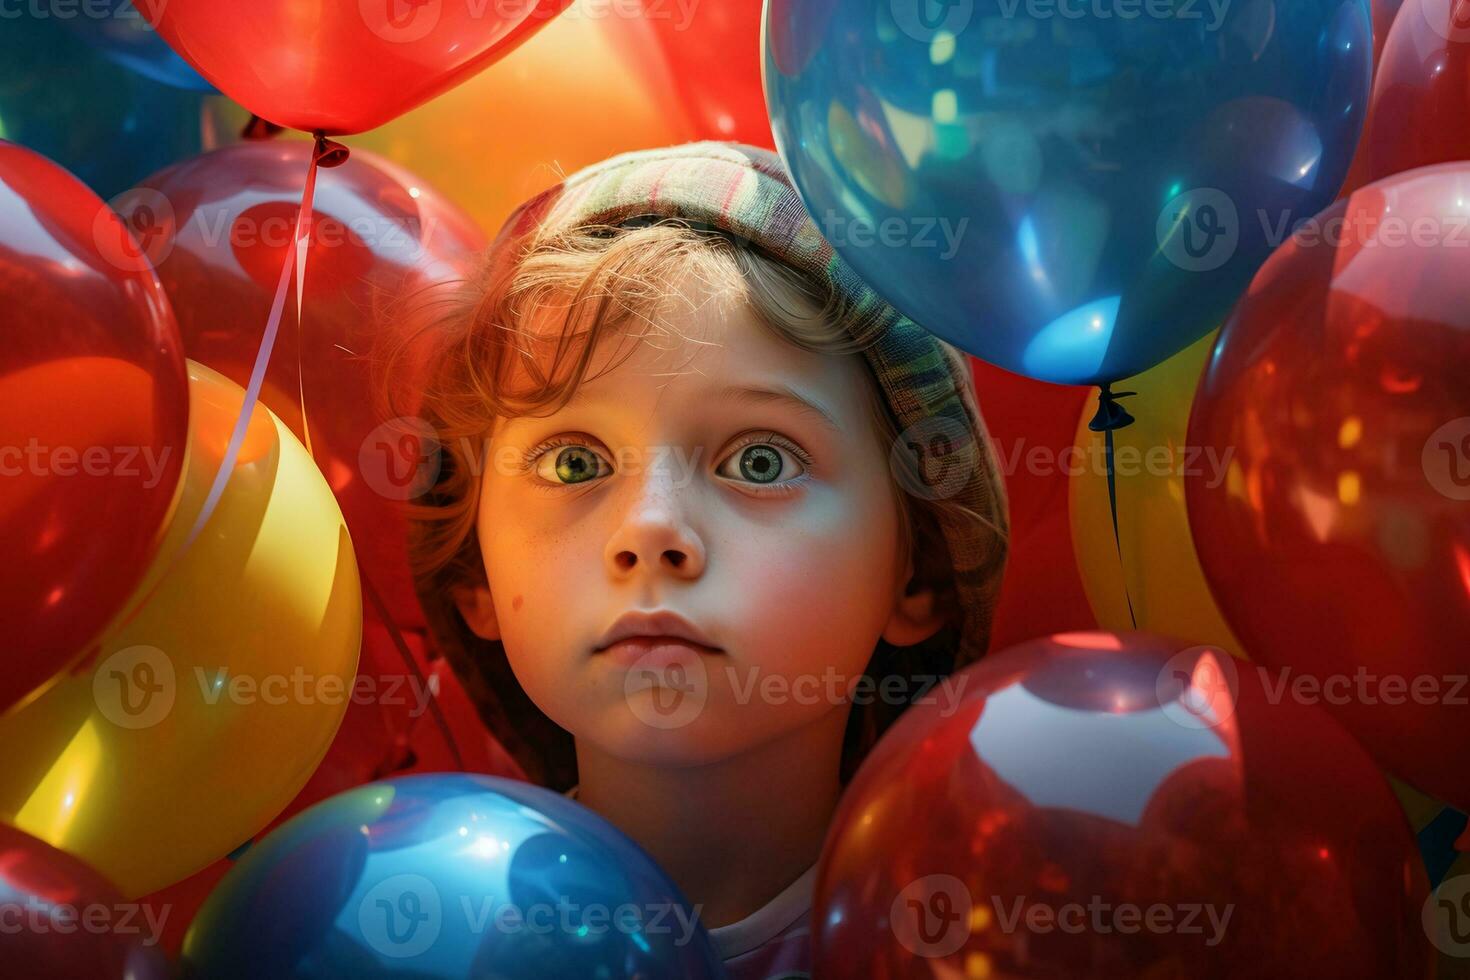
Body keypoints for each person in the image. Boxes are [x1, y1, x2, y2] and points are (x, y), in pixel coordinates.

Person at [390, 142, 1009, 978]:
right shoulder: (415, 932)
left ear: (918, 574)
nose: (650, 530)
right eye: (574, 462)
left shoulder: (985, 936)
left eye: (759, 461)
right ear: (478, 582)